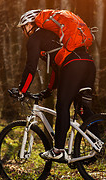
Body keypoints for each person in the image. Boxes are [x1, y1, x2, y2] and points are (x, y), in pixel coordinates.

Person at [11, 9, 96, 162]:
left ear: (30, 25)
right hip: (88, 63)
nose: (24, 31)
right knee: (82, 109)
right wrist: (49, 89)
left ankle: (58, 150)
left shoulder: (35, 39)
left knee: (62, 106)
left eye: (24, 27)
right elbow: (58, 66)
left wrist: (21, 90)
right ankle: (99, 145)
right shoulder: (55, 38)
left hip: (73, 65)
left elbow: (30, 68)